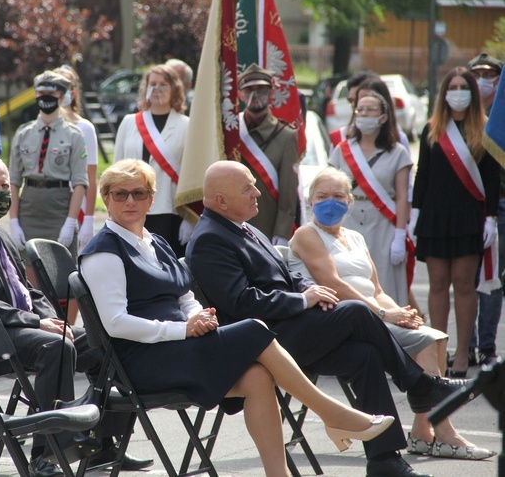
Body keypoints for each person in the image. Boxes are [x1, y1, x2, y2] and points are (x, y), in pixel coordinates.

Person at [80, 159, 394, 476]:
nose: (130, 201)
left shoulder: (155, 241)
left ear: (151, 198)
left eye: (139, 193)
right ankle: (331, 413)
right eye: (120, 194)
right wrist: (182, 329)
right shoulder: (104, 251)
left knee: (258, 376)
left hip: (178, 347)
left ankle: (279, 473)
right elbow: (115, 323)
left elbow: (184, 296)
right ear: (106, 198)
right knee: (253, 330)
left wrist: (198, 316)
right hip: (141, 361)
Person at [186, 160, 473, 477]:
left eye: (253, 184)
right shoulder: (210, 238)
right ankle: (420, 386)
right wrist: (301, 300)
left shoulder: (243, 226)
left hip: (290, 330)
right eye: (247, 188)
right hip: (262, 344)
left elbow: (289, 277)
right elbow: (240, 302)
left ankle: (384, 460)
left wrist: (314, 292)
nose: (257, 192)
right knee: (357, 311)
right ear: (221, 200)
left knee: (366, 355)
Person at [0, 155, 152, 477]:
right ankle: (46, 453)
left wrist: (50, 317)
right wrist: (37, 323)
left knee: (108, 340)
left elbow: (27, 290)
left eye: (5, 185)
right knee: (56, 347)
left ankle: (102, 442)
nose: (1, 192)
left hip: (22, 324)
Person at [289, 168, 495, 460]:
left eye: (338, 196)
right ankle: (443, 433)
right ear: (310, 201)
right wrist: (386, 313)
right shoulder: (308, 234)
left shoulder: (355, 238)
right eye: (322, 196)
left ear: (350, 202)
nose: (330, 202)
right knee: (425, 341)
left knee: (432, 336)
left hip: (374, 310)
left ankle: (424, 433)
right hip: (343, 318)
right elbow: (334, 283)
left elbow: (376, 288)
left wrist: (400, 311)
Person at [410, 67, 500, 378]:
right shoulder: (432, 129)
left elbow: (491, 178)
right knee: (436, 285)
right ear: (444, 92)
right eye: (453, 86)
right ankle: (439, 352)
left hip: (468, 218)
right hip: (435, 217)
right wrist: (415, 212)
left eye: (464, 87)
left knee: (464, 285)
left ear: (473, 94)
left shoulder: (485, 130)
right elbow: (423, 174)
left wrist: (489, 216)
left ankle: (463, 353)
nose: (458, 91)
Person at [328, 90, 412, 306]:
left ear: (383, 117)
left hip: (383, 223)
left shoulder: (398, 152)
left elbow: (402, 195)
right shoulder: (343, 149)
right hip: (349, 219)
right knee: (350, 278)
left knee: (385, 283)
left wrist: (400, 235)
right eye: (360, 110)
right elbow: (328, 185)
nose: (364, 114)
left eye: (370, 110)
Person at [9, 70, 87, 270]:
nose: (45, 99)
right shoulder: (23, 133)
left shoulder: (74, 135)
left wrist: (70, 222)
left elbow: (80, 183)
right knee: (29, 273)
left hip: (59, 208)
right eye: (41, 94)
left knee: (62, 273)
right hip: (29, 209)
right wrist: (14, 220)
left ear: (62, 97)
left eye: (51, 95)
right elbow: (14, 181)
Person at [114, 64, 190, 257]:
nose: (157, 89)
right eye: (152, 84)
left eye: (164, 84)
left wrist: (190, 217)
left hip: (168, 211)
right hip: (130, 209)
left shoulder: (186, 125)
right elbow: (115, 171)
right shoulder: (129, 122)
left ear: (174, 89)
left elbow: (190, 173)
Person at [467, 52, 504, 367]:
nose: (483, 81)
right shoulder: (462, 115)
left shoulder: (501, 115)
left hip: (499, 206)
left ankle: (486, 346)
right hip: (466, 205)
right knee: (465, 277)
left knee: (491, 277)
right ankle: (467, 342)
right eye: (476, 74)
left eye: (489, 75)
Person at [236, 63, 298, 246]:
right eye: (249, 90)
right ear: (240, 94)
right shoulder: (231, 130)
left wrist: (282, 232)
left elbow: (288, 191)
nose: (255, 96)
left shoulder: (286, 135)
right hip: (233, 220)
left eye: (262, 90)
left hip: (267, 224)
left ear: (271, 93)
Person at [53, 65, 99, 254]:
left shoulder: (85, 128)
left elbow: (91, 176)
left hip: (77, 205)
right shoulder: (40, 126)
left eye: (65, 86)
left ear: (73, 92)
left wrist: (88, 219)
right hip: (50, 204)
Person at [328, 71, 377, 147]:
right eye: (351, 100)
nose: (354, 105)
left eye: (359, 100)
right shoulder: (339, 137)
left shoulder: (398, 140)